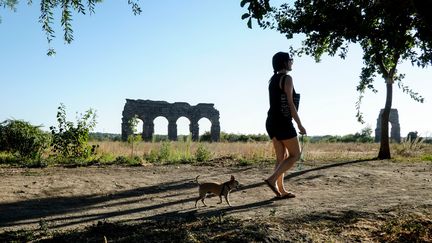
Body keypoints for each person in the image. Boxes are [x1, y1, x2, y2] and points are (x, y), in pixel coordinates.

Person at [264, 51, 306, 199]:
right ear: (284, 63)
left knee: (281, 158)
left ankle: (280, 190)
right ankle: (271, 180)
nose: (292, 62)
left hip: (271, 122)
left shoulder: (273, 80)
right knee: (296, 154)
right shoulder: (287, 78)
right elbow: (290, 103)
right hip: (283, 122)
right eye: (290, 60)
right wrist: (300, 124)